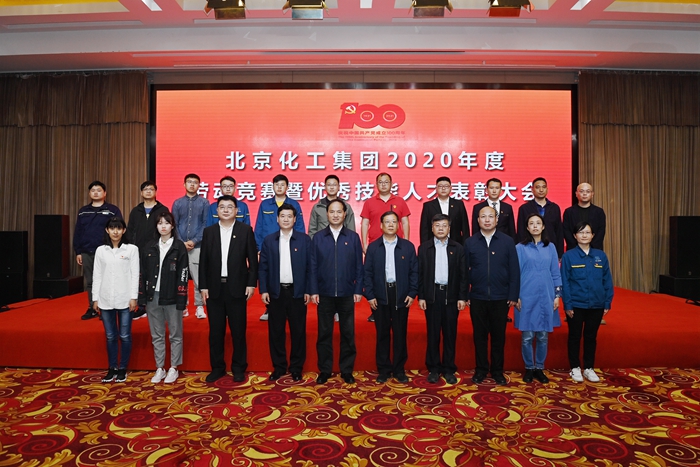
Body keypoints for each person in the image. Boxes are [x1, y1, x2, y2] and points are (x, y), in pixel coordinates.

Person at [199, 195, 258, 384]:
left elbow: (253, 260)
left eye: (230, 207)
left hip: (237, 288)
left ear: (236, 211)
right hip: (214, 289)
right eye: (222, 207)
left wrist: (251, 283)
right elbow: (203, 261)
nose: (226, 210)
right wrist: (203, 286)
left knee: (238, 331)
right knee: (216, 332)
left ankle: (239, 368)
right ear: (216, 211)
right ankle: (217, 368)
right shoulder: (209, 232)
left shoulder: (245, 230)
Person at [309, 199, 364, 385]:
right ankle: (325, 370)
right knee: (324, 334)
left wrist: (358, 289)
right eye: (332, 212)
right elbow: (313, 266)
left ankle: (346, 370)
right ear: (327, 214)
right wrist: (314, 290)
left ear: (345, 214)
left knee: (348, 334)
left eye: (339, 212)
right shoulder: (318, 238)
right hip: (324, 293)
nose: (335, 215)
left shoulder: (353, 237)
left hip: (347, 292)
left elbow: (359, 266)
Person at [464, 205, 520, 386]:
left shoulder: (507, 241)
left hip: (500, 297)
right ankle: (481, 369)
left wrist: (513, 294)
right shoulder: (470, 242)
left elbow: (514, 270)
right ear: (478, 220)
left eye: (490, 216)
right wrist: (466, 294)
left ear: (497, 220)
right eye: (483, 216)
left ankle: (497, 371)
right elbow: (464, 271)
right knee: (479, 336)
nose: (487, 220)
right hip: (477, 297)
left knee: (498, 337)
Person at [258, 203, 312, 382]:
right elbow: (263, 268)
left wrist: (309, 290)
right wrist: (263, 289)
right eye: (283, 216)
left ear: (295, 219)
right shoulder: (269, 240)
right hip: (276, 292)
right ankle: (279, 367)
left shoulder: (304, 240)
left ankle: (296, 368)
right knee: (276, 332)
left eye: (289, 216)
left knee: (298, 332)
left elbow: (310, 267)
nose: (286, 219)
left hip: (298, 292)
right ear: (277, 219)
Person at [364, 211, 418, 384]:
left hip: (401, 295)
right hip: (380, 295)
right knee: (382, 334)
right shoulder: (373, 247)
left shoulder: (407, 247)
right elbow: (367, 273)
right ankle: (384, 369)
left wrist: (412, 293)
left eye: (394, 221)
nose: (390, 225)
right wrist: (370, 295)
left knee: (400, 333)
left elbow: (414, 272)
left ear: (398, 225)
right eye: (387, 222)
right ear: (381, 225)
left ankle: (399, 369)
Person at [417, 214, 468, 385]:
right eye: (437, 225)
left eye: (444, 225)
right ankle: (433, 368)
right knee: (433, 334)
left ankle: (448, 368)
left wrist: (462, 297)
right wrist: (421, 296)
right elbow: (420, 274)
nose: (440, 229)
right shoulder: (424, 248)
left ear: (449, 228)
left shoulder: (458, 248)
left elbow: (463, 275)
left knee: (450, 334)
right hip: (432, 296)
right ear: (432, 228)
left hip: (451, 296)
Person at [139, 211, 189, 384]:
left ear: (172, 225)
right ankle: (160, 367)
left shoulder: (179, 246)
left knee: (175, 334)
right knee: (157, 334)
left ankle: (174, 367)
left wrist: (182, 297)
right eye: (160, 223)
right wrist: (142, 296)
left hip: (173, 296)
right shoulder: (150, 246)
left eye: (166, 223)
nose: (163, 226)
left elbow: (183, 273)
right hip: (153, 296)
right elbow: (143, 272)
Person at [561, 221, 613, 383]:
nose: (584, 235)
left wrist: (607, 302)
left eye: (587, 232)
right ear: (575, 236)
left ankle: (589, 368)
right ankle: (575, 367)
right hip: (576, 304)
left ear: (593, 236)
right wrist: (567, 304)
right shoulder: (568, 256)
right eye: (581, 232)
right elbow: (565, 282)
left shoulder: (600, 256)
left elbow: (607, 281)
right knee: (574, 336)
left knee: (591, 337)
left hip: (596, 304)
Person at [515, 213, 562, 384]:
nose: (535, 226)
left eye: (538, 223)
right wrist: (516, 295)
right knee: (527, 336)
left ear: (543, 227)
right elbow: (515, 274)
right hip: (526, 295)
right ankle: (529, 367)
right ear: (527, 228)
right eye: (531, 223)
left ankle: (539, 368)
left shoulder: (551, 247)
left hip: (546, 295)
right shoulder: (520, 248)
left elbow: (555, 272)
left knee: (542, 335)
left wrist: (557, 295)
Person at [91, 217, 139, 383]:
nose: (115, 232)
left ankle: (123, 368)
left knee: (124, 335)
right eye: (112, 228)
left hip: (125, 298)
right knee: (110, 336)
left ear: (124, 230)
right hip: (105, 299)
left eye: (119, 228)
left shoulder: (131, 249)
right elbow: (97, 275)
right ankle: (112, 368)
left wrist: (134, 297)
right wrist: (95, 298)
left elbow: (135, 274)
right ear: (107, 230)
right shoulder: (101, 250)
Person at [361, 172, 411, 323]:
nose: (383, 184)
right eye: (380, 182)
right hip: (376, 246)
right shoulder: (369, 202)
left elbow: (405, 222)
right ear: (376, 184)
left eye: (386, 182)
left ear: (391, 184)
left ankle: (396, 309)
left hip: (397, 246)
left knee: (396, 277)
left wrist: (406, 241)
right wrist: (365, 243)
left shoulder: (400, 201)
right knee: (376, 278)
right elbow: (365, 223)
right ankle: (376, 311)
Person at [254, 174, 305, 321]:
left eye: (282, 185)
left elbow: (299, 226)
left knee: (288, 275)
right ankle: (269, 308)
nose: (279, 187)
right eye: (277, 184)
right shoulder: (265, 204)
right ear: (273, 186)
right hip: (269, 247)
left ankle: (290, 310)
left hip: (291, 244)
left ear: (287, 187)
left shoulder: (294, 204)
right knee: (271, 275)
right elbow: (259, 227)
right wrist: (259, 248)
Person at [74, 181, 122, 320]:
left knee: (108, 280)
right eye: (93, 190)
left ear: (104, 193)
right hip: (87, 251)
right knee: (91, 282)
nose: (96, 192)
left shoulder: (112, 210)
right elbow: (78, 232)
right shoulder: (83, 211)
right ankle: (93, 308)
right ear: (89, 193)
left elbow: (118, 229)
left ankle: (108, 309)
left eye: (99, 190)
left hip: (107, 251)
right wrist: (78, 251)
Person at [127, 180, 170, 320]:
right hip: (138, 250)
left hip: (157, 250)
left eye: (151, 189)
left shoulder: (162, 210)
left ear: (156, 192)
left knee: (156, 278)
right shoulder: (136, 211)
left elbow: (167, 229)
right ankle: (141, 306)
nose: (148, 191)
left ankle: (157, 306)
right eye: (145, 189)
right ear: (141, 193)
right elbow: (130, 231)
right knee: (140, 278)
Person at [172, 173, 210, 320]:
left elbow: (205, 224)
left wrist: (194, 241)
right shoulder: (177, 203)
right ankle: (183, 306)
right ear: (184, 184)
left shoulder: (204, 203)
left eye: (195, 182)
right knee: (180, 277)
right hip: (180, 245)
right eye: (189, 182)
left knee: (198, 277)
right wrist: (181, 242)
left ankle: (199, 306)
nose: (192, 184)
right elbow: (173, 224)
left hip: (198, 246)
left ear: (199, 185)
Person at [517, 177, 564, 258]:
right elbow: (521, 231)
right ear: (532, 190)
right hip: (529, 249)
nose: (541, 190)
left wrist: (560, 253)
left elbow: (559, 232)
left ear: (547, 189)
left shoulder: (555, 208)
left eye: (544, 187)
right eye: (538, 187)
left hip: (550, 248)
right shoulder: (524, 208)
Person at [419, 176, 470, 245]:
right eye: (440, 186)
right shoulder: (428, 206)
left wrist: (466, 245)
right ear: (436, 189)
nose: (443, 188)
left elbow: (465, 227)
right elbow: (424, 229)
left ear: (450, 188)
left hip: (456, 243)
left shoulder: (459, 204)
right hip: (433, 244)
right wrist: (424, 246)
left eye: (446, 186)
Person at [563, 183, 606, 252]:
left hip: (594, 249)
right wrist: (577, 247)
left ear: (592, 194)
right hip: (574, 250)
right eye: (582, 191)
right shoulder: (569, 212)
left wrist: (590, 247)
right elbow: (566, 231)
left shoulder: (599, 212)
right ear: (576, 194)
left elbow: (601, 232)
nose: (585, 194)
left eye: (588, 191)